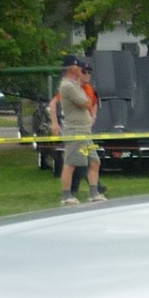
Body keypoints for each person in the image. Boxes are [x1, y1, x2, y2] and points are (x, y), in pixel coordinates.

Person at [53, 54, 102, 206]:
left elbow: (91, 102)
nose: (81, 70)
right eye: (78, 67)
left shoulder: (76, 84)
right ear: (71, 68)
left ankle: (94, 193)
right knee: (71, 163)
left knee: (94, 161)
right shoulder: (67, 85)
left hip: (85, 130)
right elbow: (86, 103)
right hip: (75, 130)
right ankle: (66, 196)